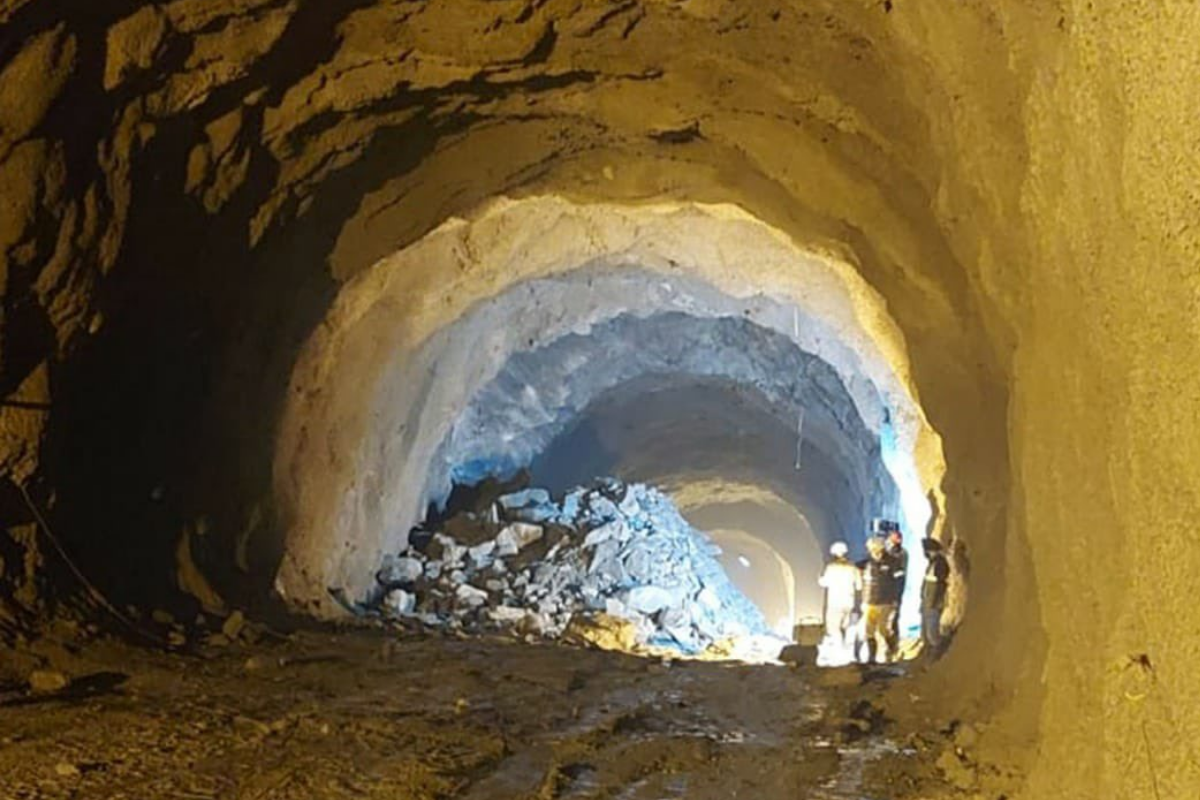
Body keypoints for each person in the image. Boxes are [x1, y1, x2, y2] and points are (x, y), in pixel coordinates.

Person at [859, 535, 899, 663]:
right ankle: (872, 658)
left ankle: (893, 651)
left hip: (885, 601)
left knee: (883, 630)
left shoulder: (892, 562)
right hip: (871, 602)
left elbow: (898, 581)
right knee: (869, 631)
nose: (871, 550)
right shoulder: (867, 563)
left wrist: (895, 599)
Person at [818, 541, 861, 653]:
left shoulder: (831, 567)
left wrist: (819, 578)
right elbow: (859, 586)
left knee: (833, 627)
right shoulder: (853, 567)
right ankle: (849, 647)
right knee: (848, 625)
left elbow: (824, 582)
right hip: (849, 602)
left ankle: (840, 649)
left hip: (835, 602)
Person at [920, 537, 950, 655]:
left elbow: (939, 584)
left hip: (934, 602)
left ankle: (939, 653)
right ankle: (933, 654)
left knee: (932, 633)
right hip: (929, 601)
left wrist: (934, 602)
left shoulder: (940, 563)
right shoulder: (933, 563)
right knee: (929, 631)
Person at [886, 530, 908, 642]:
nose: (890, 541)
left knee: (893, 616)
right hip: (891, 589)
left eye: (893, 539)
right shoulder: (894, 552)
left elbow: (897, 572)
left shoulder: (900, 553)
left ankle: (893, 641)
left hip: (895, 589)